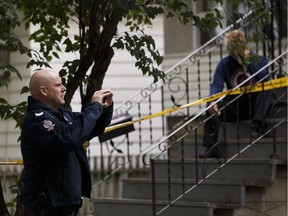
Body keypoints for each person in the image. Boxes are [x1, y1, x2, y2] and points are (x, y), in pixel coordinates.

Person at [20, 69, 114, 215]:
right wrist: (94, 106)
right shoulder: (37, 120)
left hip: (65, 204)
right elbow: (70, 138)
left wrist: (104, 108)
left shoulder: (62, 115)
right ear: (44, 91)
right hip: (46, 206)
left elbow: (89, 128)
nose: (64, 88)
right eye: (58, 85)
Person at [200, 29, 272, 158]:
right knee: (211, 104)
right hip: (236, 105)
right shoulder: (225, 64)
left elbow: (264, 78)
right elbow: (216, 84)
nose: (236, 53)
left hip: (255, 105)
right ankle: (211, 147)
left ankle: (257, 125)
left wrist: (247, 60)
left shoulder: (259, 60)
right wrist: (213, 101)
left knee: (266, 89)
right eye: (233, 50)